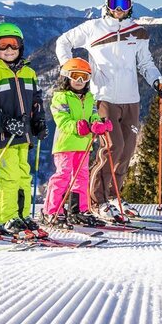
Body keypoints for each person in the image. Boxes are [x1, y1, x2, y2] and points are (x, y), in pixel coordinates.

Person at [55, 0, 162, 222]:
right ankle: (97, 200)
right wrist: (70, 68)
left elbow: (145, 63)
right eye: (114, 4)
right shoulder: (92, 28)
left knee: (127, 149)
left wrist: (156, 80)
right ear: (106, 5)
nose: (119, 9)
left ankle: (115, 196)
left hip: (131, 99)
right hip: (103, 97)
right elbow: (63, 42)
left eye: (124, 4)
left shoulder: (139, 32)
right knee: (112, 147)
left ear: (131, 7)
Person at [0, 22, 47, 237]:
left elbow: (37, 101)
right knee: (9, 176)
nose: (8, 50)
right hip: (3, 135)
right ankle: (6, 218)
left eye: (13, 44)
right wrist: (4, 122)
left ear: (20, 46)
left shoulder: (29, 72)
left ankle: (21, 215)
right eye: (3, 45)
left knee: (24, 175)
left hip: (24, 134)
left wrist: (39, 122)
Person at [42, 58, 112, 228]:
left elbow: (93, 116)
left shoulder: (89, 98)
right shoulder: (61, 98)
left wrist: (100, 124)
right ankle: (52, 211)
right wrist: (77, 126)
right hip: (65, 145)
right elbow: (62, 120)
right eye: (76, 76)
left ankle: (78, 210)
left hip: (84, 145)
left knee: (82, 177)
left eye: (84, 77)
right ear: (66, 77)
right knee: (63, 176)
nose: (80, 81)